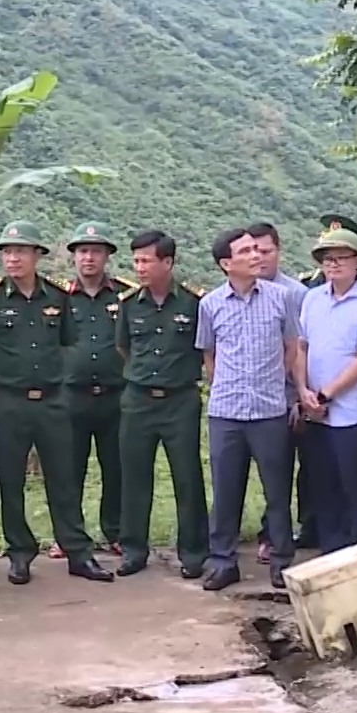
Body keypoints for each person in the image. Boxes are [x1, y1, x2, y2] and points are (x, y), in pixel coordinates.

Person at [0, 220, 114, 585]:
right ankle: (20, 552)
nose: (12, 258)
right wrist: (1, 385)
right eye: (6, 252)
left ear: (37, 255)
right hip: (9, 403)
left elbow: (67, 344)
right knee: (12, 480)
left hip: (53, 402)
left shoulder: (57, 297)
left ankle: (78, 552)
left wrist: (54, 381)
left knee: (63, 479)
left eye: (20, 251)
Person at [197, 227, 302, 591]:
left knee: (277, 490)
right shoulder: (209, 304)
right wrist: (224, 387)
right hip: (226, 412)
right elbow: (209, 356)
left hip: (269, 410)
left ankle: (281, 560)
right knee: (226, 491)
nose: (256, 256)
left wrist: (275, 383)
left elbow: (292, 347)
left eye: (258, 250)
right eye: (245, 252)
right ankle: (223, 561)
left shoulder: (281, 297)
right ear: (227, 264)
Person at [113, 230, 209, 580]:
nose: (139, 267)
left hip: (179, 400)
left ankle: (194, 551)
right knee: (135, 476)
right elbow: (124, 347)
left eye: (146, 260)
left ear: (167, 262)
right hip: (138, 399)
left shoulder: (193, 304)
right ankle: (134, 550)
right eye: (136, 260)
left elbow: (203, 351)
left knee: (186, 476)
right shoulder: (128, 304)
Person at [297, 228, 357, 554]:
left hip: (348, 410)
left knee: (352, 481)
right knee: (321, 482)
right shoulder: (312, 298)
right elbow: (301, 347)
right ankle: (330, 548)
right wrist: (303, 391)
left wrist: (326, 394)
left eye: (340, 258)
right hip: (313, 407)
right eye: (326, 258)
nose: (332, 265)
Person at [59, 220, 131, 556]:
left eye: (96, 252)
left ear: (107, 257)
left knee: (115, 468)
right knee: (69, 469)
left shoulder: (126, 295)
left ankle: (115, 531)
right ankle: (68, 536)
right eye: (83, 251)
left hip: (116, 396)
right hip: (71, 396)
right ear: (74, 256)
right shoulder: (58, 297)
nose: (89, 258)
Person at [248, 221, 313, 563]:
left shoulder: (296, 294)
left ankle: (293, 534)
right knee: (270, 473)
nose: (258, 257)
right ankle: (269, 535)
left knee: (296, 471)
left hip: (290, 397)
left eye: (266, 250)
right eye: (252, 250)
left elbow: (302, 348)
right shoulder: (235, 292)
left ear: (278, 251)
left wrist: (299, 395)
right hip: (251, 402)